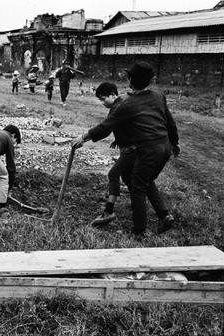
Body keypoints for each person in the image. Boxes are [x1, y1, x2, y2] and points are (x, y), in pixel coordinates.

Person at [71, 61, 181, 238]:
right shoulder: (158, 96)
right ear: (150, 80)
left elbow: (105, 127)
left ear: (130, 80)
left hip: (147, 150)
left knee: (136, 186)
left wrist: (83, 137)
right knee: (146, 181)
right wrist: (175, 143)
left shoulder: (127, 104)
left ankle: (139, 231)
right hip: (165, 147)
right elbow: (170, 122)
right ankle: (164, 215)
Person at [88, 82, 134, 226]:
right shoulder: (119, 105)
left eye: (103, 99)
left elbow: (106, 127)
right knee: (128, 176)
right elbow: (123, 125)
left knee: (113, 174)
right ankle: (137, 200)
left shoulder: (118, 107)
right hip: (131, 146)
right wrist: (117, 139)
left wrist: (84, 137)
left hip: (132, 149)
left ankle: (109, 211)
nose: (102, 103)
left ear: (113, 95)